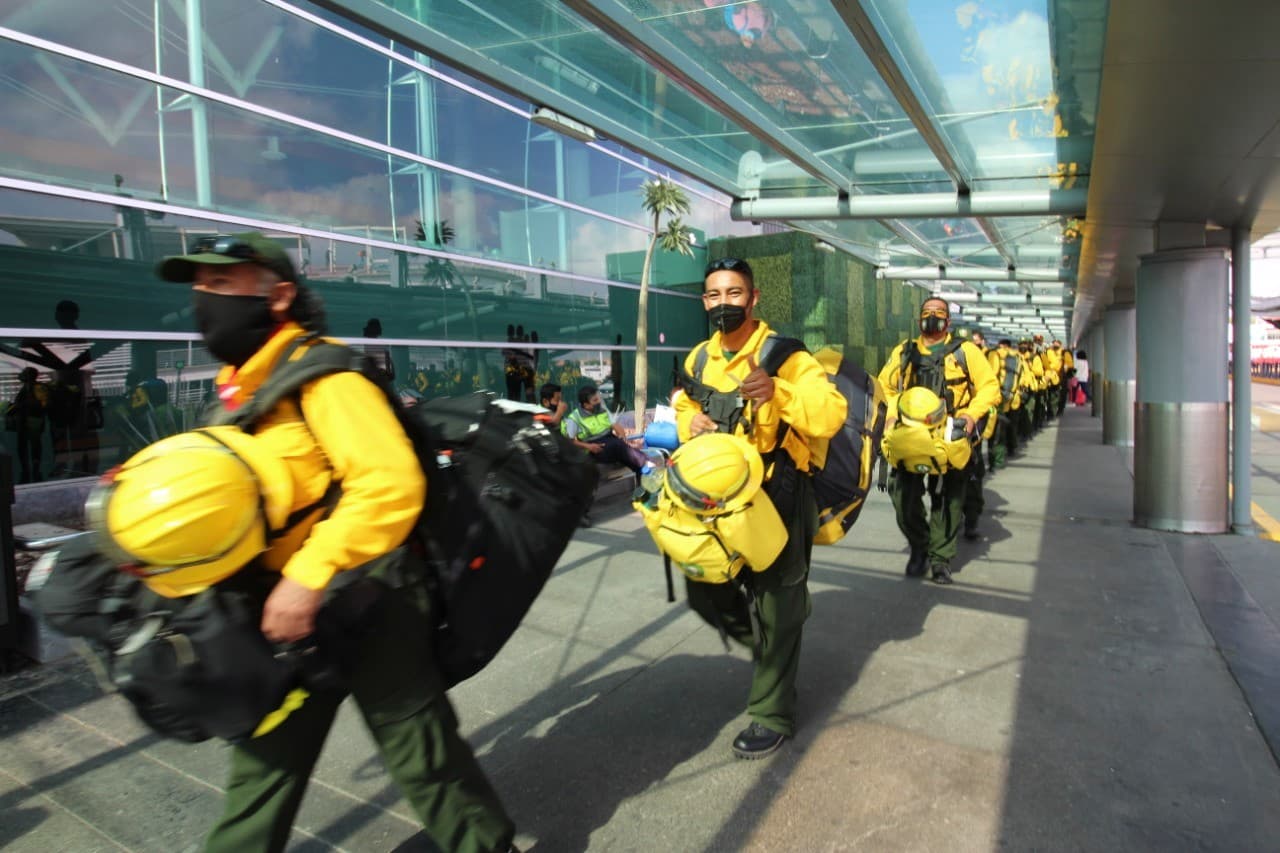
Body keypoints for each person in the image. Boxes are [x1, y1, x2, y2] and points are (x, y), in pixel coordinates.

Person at [155, 232, 516, 853]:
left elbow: (389, 482)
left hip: (368, 597)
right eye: (199, 286)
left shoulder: (325, 375)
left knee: (420, 750)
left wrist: (308, 575)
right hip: (280, 615)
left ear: (279, 295)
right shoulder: (237, 390)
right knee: (263, 768)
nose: (203, 298)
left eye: (220, 283)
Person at [674, 257, 846, 759]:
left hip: (778, 494)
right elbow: (684, 403)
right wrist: (692, 425)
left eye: (733, 294)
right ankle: (778, 638)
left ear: (753, 299)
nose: (722, 303)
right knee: (705, 587)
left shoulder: (785, 355)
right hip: (718, 498)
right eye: (713, 295)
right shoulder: (698, 359)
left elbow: (831, 413)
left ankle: (772, 711)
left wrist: (778, 391)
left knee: (775, 600)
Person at [878, 297, 1000, 584]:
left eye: (939, 313)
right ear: (919, 317)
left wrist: (970, 417)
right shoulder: (904, 352)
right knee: (903, 498)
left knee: (948, 499)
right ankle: (920, 545)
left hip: (950, 436)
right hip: (910, 436)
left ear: (948, 321)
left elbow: (990, 387)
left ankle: (940, 558)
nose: (932, 318)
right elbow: (884, 386)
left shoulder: (965, 351)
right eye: (926, 313)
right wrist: (893, 414)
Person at [8, 367, 47, 483]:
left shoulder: (37, 387)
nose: (21, 376)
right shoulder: (28, 387)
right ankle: (27, 467)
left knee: (33, 445)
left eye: (24, 374)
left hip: (33, 420)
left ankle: (34, 468)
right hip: (26, 420)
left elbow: (42, 405)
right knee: (24, 445)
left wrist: (20, 406)